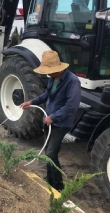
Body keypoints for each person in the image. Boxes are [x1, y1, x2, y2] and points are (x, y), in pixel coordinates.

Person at [20, 50, 81, 191]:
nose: (47, 74)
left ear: (57, 69)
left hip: (60, 123)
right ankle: (50, 178)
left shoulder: (72, 81)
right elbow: (47, 95)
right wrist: (31, 102)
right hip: (48, 120)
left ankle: (58, 185)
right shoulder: (52, 79)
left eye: (49, 71)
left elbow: (72, 106)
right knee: (49, 151)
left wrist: (53, 117)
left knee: (51, 153)